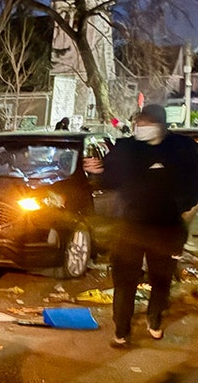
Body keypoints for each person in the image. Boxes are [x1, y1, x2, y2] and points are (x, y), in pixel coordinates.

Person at [82, 104, 198, 347]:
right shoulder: (126, 148)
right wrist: (97, 173)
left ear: (161, 126)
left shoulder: (182, 148)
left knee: (161, 279)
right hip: (128, 227)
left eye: (146, 124)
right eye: (139, 124)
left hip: (165, 228)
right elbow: (109, 179)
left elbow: (194, 180)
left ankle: (154, 318)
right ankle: (121, 331)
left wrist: (183, 206)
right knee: (125, 281)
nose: (141, 129)